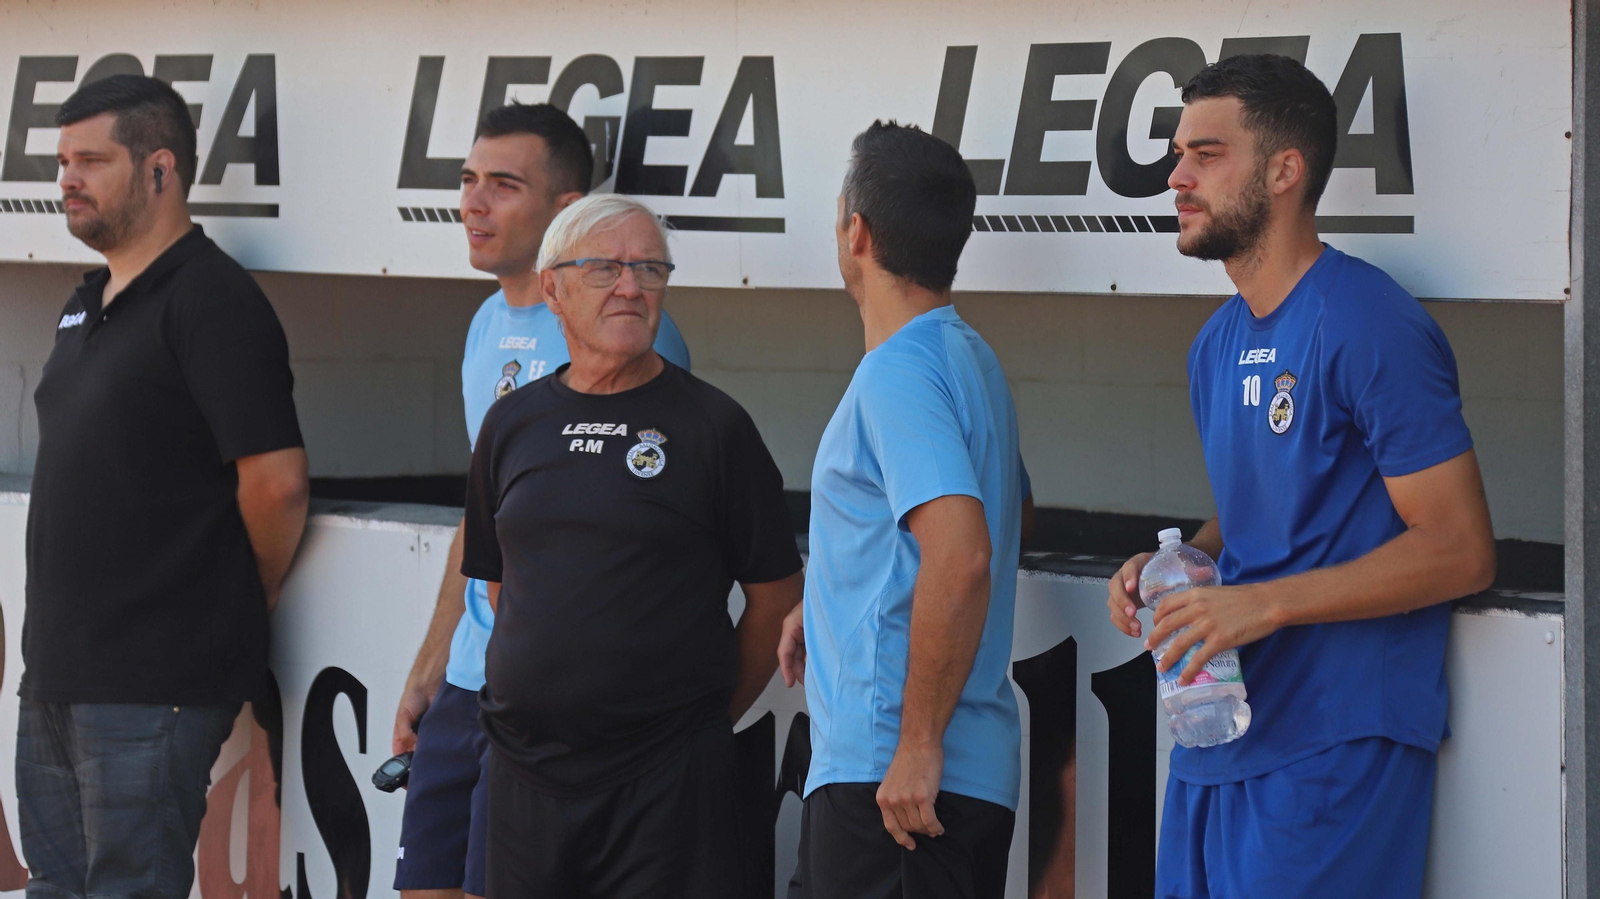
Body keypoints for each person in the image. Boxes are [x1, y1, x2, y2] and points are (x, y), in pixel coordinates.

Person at [1104, 54, 1496, 898]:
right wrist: (1177, 564)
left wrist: (1263, 601)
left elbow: (1461, 549)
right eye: (1179, 155)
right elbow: (1257, 514)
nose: (1176, 176)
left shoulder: (1368, 319)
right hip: (1220, 738)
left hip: (1333, 745)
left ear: (1286, 171)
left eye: (1206, 155)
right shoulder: (1215, 341)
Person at [460, 193, 803, 898]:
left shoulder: (715, 428)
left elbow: (775, 601)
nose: (632, 287)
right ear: (552, 286)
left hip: (667, 784)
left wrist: (694, 723)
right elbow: (505, 587)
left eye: (650, 269)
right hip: (524, 779)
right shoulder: (510, 425)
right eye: (607, 268)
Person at [389, 103, 690, 899]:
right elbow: (482, 516)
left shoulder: (629, 336)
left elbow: (648, 538)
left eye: (503, 185)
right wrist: (429, 665)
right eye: (468, 180)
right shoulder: (485, 325)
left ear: (565, 210)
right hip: (467, 684)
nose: (474, 204)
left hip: (547, 704)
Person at [21, 74, 308, 898]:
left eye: (91, 160)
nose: (68, 179)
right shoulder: (88, 303)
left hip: (153, 682)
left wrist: (246, 587)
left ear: (160, 170)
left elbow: (278, 483)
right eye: (63, 161)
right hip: (57, 676)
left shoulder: (212, 300)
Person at [776, 121, 1025, 899]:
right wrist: (820, 603)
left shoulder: (900, 373)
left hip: (897, 784)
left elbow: (960, 552)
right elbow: (919, 542)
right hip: (929, 777)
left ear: (856, 231)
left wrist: (916, 743)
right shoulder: (967, 357)